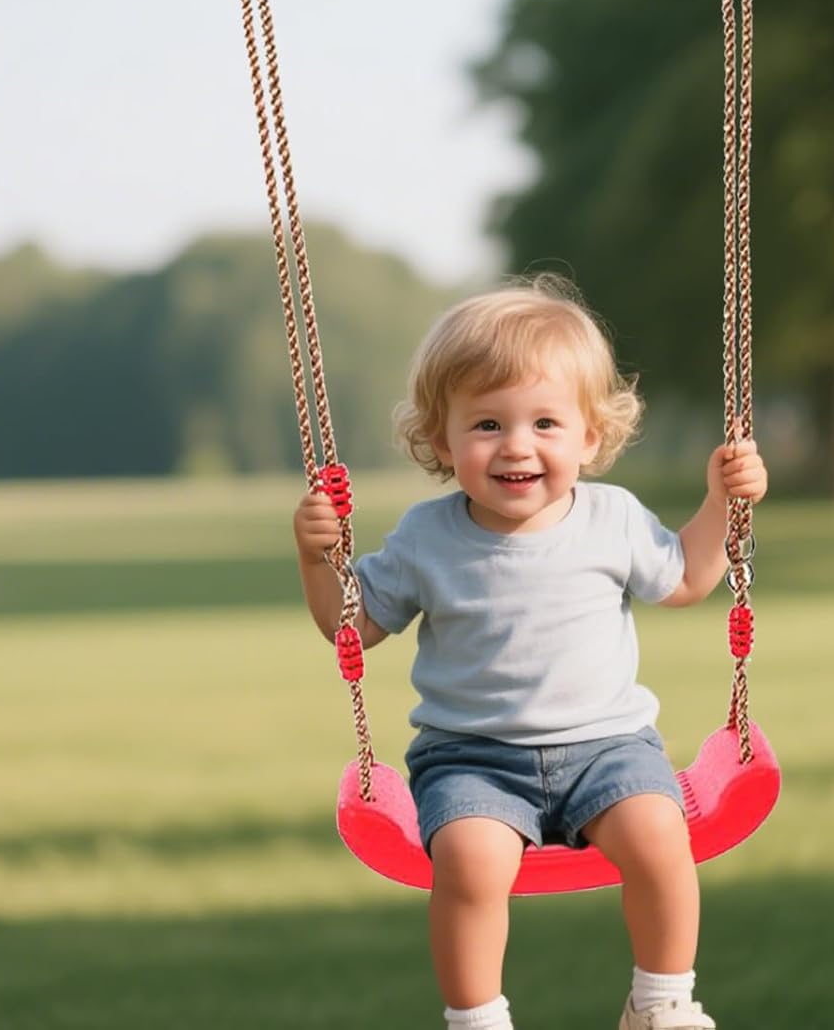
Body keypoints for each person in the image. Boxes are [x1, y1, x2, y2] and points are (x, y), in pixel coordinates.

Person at [294, 276, 768, 1030]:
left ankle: (661, 1003)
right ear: (442, 440)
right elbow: (352, 627)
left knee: (659, 836)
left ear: (589, 436)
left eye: (546, 422)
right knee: (470, 862)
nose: (517, 445)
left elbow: (685, 579)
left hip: (609, 748)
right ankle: (478, 1019)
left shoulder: (612, 518)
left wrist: (722, 505)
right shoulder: (426, 536)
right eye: (487, 423)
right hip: (471, 758)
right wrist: (317, 558)